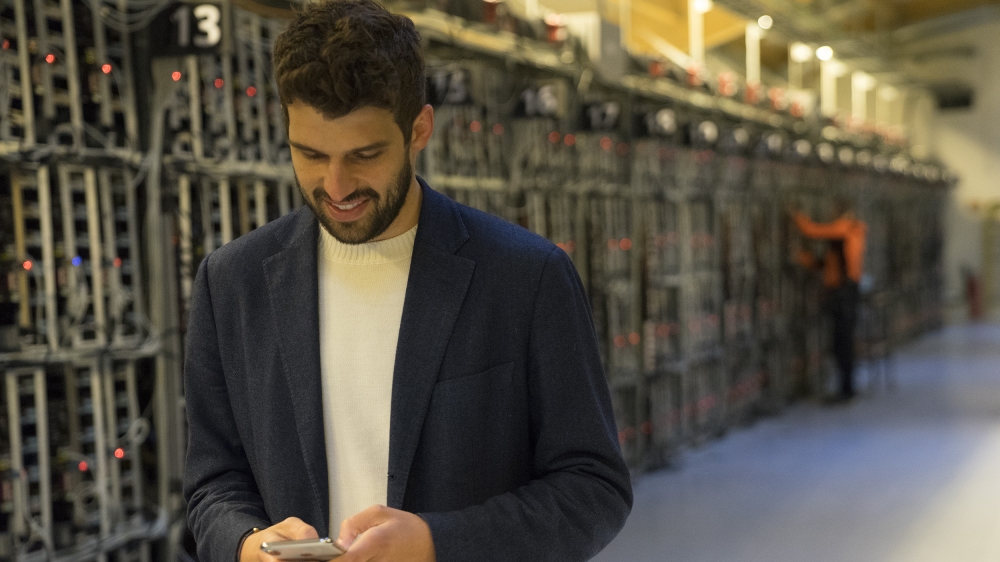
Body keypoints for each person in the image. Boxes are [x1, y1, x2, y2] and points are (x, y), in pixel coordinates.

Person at [181, 2, 632, 562]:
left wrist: (437, 543)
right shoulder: (233, 284)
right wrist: (248, 546)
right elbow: (212, 485)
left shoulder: (525, 277)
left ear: (419, 128)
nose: (336, 185)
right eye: (310, 154)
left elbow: (593, 488)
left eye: (364, 155)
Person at [791, 198, 868, 401]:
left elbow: (812, 231)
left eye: (832, 212)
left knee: (842, 342)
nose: (829, 217)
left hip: (844, 294)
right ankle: (845, 387)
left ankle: (846, 389)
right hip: (843, 293)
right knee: (841, 341)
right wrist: (805, 259)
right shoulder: (847, 235)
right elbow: (829, 263)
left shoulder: (846, 229)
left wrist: (796, 214)